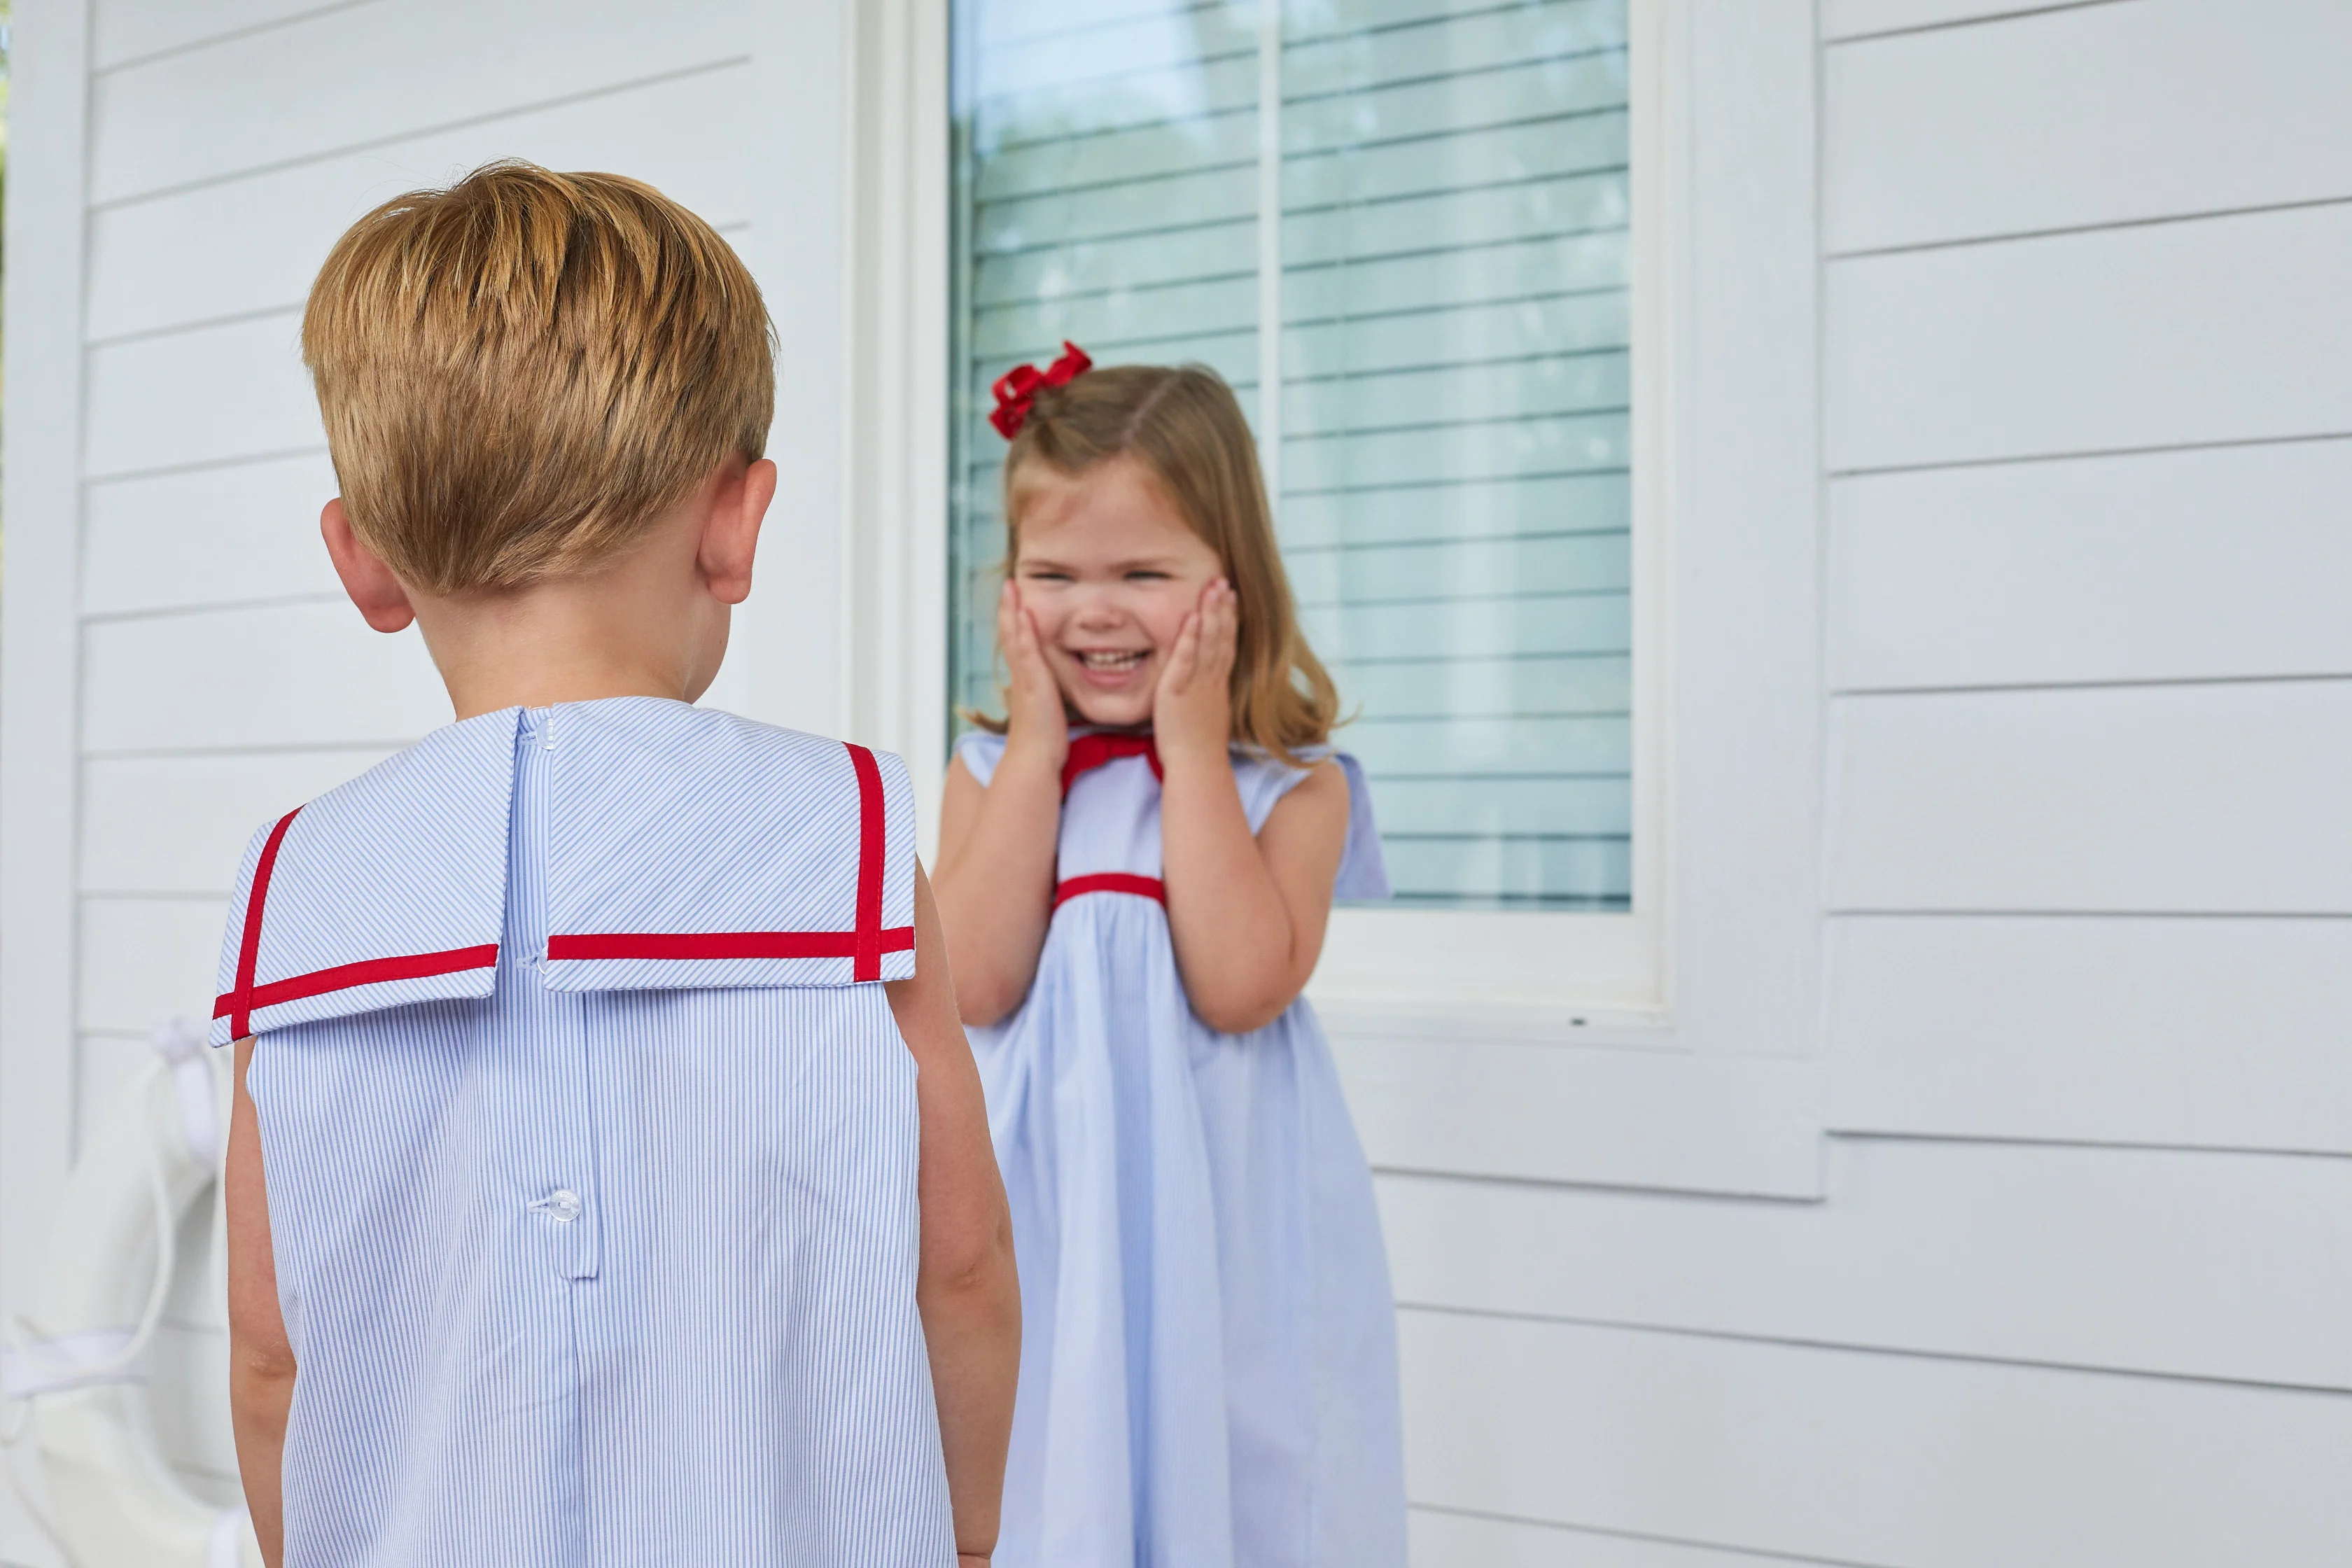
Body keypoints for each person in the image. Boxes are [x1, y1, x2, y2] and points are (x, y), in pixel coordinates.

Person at [215, 162, 1018, 1568]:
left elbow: (272, 1354)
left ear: (364, 560)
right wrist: (963, 1539)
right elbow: (956, 1268)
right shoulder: (841, 837)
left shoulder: (302, 889)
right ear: (734, 520)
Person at [931, 348, 1407, 1567]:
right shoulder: (990, 773)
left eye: (1143, 574)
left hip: (1221, 1212)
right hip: (1045, 1210)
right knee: (1052, 1463)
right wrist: (1035, 749)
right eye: (1054, 576)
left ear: (1231, 582)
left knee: (1233, 1462)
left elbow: (1240, 988)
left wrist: (1194, 754)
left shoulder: (1291, 788)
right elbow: (976, 979)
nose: (1095, 612)